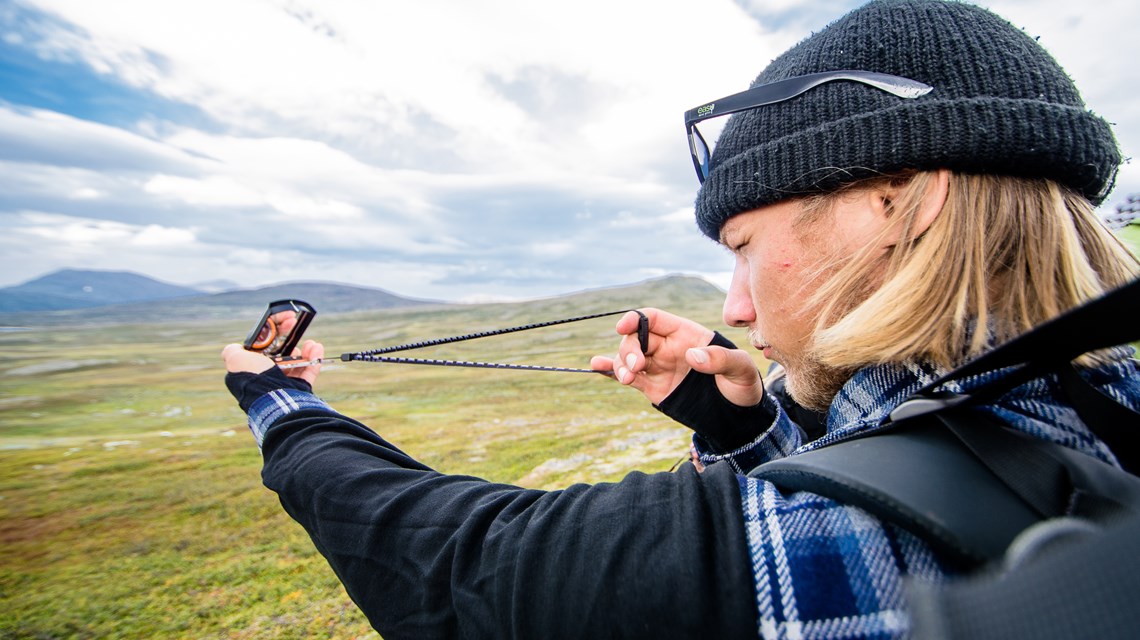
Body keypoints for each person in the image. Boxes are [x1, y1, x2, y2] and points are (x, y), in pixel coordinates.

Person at [221, 0, 1140, 637]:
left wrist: (279, 407)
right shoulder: (1105, 407)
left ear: (898, 204)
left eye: (743, 245)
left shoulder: (826, 549)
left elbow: (459, 570)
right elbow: (935, 468)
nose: (735, 307)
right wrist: (737, 422)